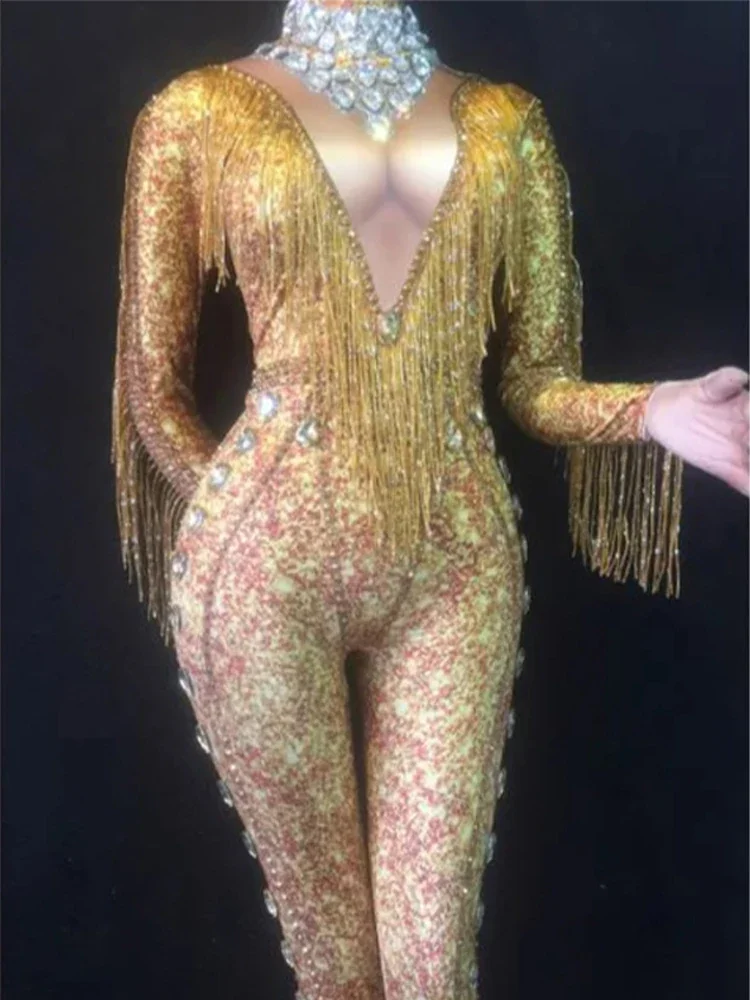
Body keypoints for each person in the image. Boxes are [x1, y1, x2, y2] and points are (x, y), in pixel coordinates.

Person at [111, 1, 749, 997]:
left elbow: (535, 382)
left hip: (455, 570)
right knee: (334, 970)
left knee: (433, 968)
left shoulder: (506, 123)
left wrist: (653, 411)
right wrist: (242, 516)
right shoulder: (196, 113)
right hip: (264, 581)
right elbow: (152, 388)